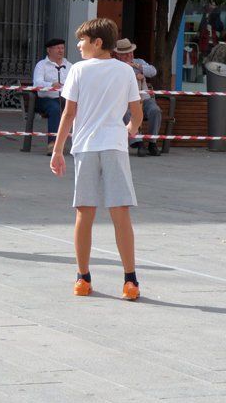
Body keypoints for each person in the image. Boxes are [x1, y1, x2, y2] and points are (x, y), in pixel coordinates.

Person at [50, 18, 143, 301]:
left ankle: (83, 277)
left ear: (97, 42)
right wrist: (130, 130)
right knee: (120, 213)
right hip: (114, 145)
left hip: (86, 146)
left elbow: (68, 113)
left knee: (84, 212)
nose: (78, 45)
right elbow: (136, 113)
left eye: (82, 40)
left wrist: (57, 150)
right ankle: (130, 280)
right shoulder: (125, 71)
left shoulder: (77, 71)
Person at [113, 38, 161, 157]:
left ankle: (152, 143)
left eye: (131, 52)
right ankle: (138, 143)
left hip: (143, 99)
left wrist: (136, 66)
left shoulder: (139, 61)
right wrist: (134, 76)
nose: (129, 55)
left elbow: (153, 71)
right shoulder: (115, 66)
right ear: (119, 54)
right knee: (127, 114)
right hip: (126, 101)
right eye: (126, 53)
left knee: (155, 111)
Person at [32, 38, 72, 154]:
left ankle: (80, 144)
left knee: (80, 107)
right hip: (46, 99)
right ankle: (53, 144)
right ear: (49, 50)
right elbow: (37, 83)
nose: (61, 50)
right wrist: (51, 85)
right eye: (58, 48)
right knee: (55, 109)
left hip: (65, 98)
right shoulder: (42, 65)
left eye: (62, 48)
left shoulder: (69, 65)